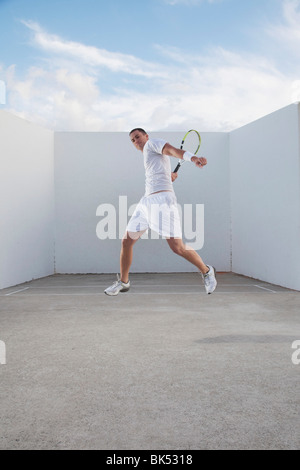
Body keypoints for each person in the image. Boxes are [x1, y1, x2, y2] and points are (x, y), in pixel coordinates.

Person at [104, 128, 217, 296]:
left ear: (146, 136)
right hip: (146, 202)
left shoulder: (152, 143)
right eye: (133, 140)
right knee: (126, 242)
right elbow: (158, 173)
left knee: (177, 248)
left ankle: (207, 271)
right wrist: (168, 177)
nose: (136, 141)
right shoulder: (149, 155)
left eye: (138, 137)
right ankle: (124, 282)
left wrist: (192, 158)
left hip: (163, 202)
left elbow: (173, 151)